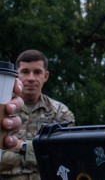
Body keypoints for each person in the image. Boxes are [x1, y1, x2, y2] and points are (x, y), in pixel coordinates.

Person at [0, 50, 75, 179]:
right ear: (16, 75)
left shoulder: (60, 112)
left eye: (37, 72)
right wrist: (41, 152)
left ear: (46, 76)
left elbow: (65, 154)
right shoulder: (3, 108)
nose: (31, 78)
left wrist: (21, 147)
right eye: (25, 72)